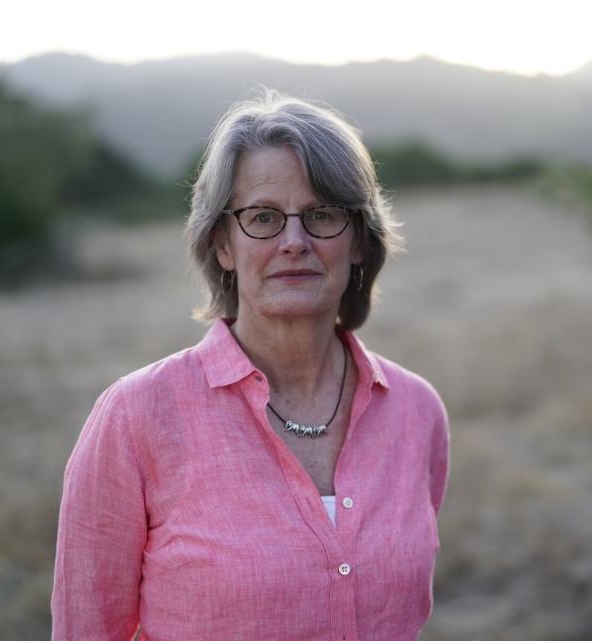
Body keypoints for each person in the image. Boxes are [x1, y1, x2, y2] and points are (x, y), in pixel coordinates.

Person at [51, 88, 450, 641]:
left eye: (322, 215)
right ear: (221, 245)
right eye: (262, 217)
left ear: (359, 241)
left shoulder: (416, 411)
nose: (294, 241)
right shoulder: (136, 416)